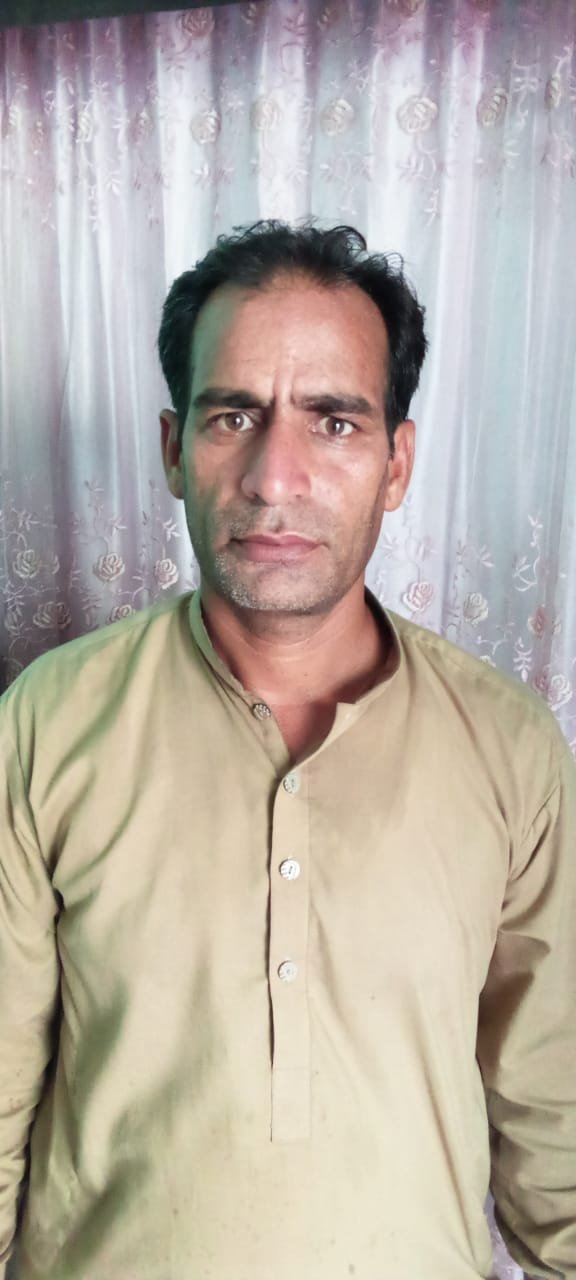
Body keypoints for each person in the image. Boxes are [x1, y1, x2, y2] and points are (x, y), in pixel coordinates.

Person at [0, 221, 574, 1280]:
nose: (275, 477)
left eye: (334, 421)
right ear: (174, 451)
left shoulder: (511, 749)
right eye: (234, 416)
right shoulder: (47, 724)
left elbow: (560, 1128)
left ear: (397, 464)